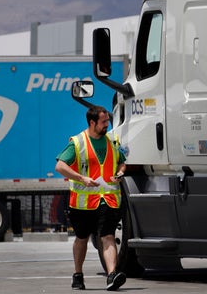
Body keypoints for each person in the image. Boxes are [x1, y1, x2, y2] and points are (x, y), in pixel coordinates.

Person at [55, 105, 127, 291]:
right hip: (83, 204)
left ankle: (112, 275)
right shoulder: (78, 142)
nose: (107, 125)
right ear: (92, 122)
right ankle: (77, 275)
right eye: (103, 122)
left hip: (108, 199)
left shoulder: (112, 140)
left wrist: (119, 173)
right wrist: (81, 178)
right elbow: (60, 166)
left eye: (108, 121)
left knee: (108, 236)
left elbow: (122, 162)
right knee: (82, 238)